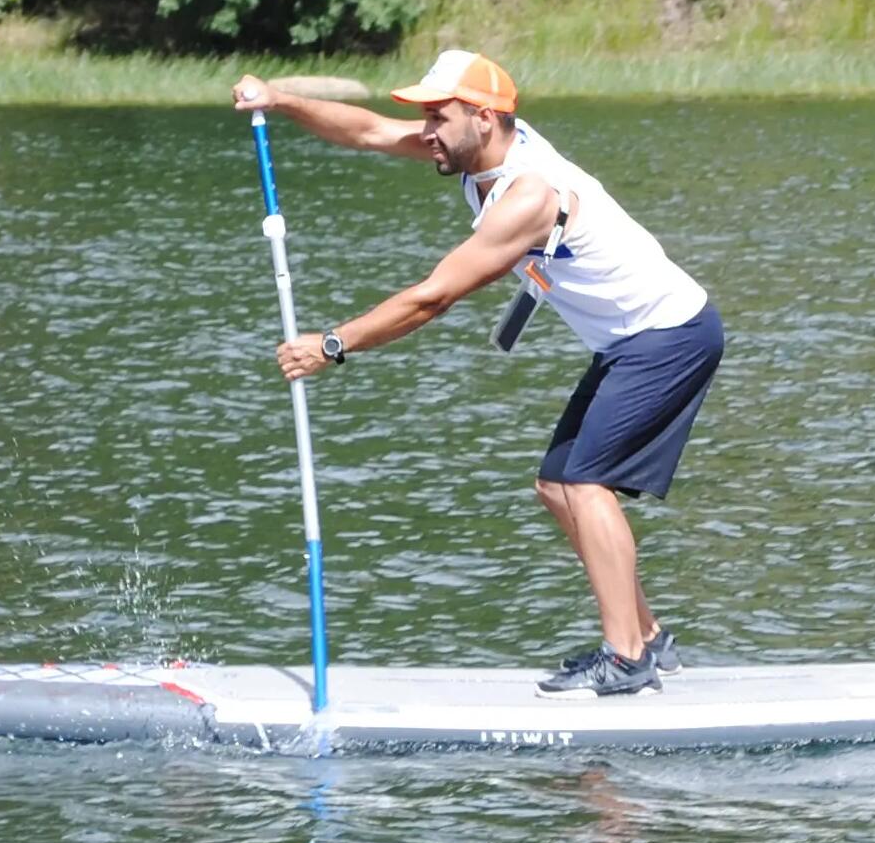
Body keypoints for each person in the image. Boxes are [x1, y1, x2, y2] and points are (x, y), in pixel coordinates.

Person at [234, 51, 722, 698]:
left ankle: (626, 659)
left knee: (584, 483)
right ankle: (648, 639)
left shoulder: (528, 194)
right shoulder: (477, 150)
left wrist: (332, 344)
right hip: (628, 342)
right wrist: (280, 99)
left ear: (484, 118)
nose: (426, 131)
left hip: (669, 335)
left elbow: (432, 297)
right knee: (556, 485)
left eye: (439, 117)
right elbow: (369, 131)